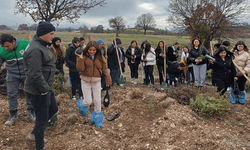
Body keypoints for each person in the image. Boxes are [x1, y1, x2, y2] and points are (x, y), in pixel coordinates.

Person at [23, 21, 58, 150]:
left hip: (46, 87)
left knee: (53, 109)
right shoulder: (35, 49)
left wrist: (47, 88)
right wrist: (44, 90)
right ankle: (39, 145)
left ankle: (33, 134)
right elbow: (34, 73)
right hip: (38, 90)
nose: (53, 37)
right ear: (43, 34)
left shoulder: (42, 45)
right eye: (51, 34)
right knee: (41, 119)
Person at [0, 34, 35, 126]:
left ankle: (31, 112)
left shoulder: (26, 45)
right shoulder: (1, 50)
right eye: (4, 46)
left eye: (8, 46)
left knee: (29, 93)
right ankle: (13, 115)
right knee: (11, 94)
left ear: (14, 42)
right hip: (12, 75)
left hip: (26, 74)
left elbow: (34, 59)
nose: (6, 48)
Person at [76, 41, 111, 127]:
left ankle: (97, 120)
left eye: (94, 50)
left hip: (97, 82)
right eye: (90, 50)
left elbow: (105, 69)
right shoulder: (83, 57)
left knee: (97, 101)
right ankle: (82, 105)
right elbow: (80, 69)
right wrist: (80, 59)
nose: (92, 51)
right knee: (88, 101)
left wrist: (108, 79)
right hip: (85, 81)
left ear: (97, 50)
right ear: (87, 49)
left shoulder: (100, 57)